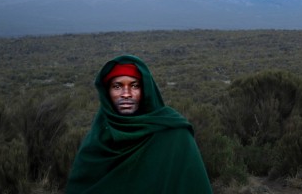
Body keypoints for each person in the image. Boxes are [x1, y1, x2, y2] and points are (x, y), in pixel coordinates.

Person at [66, 55, 213, 193]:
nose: (126, 94)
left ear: (146, 91)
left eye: (134, 86)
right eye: (117, 86)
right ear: (107, 92)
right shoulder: (96, 142)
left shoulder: (175, 135)